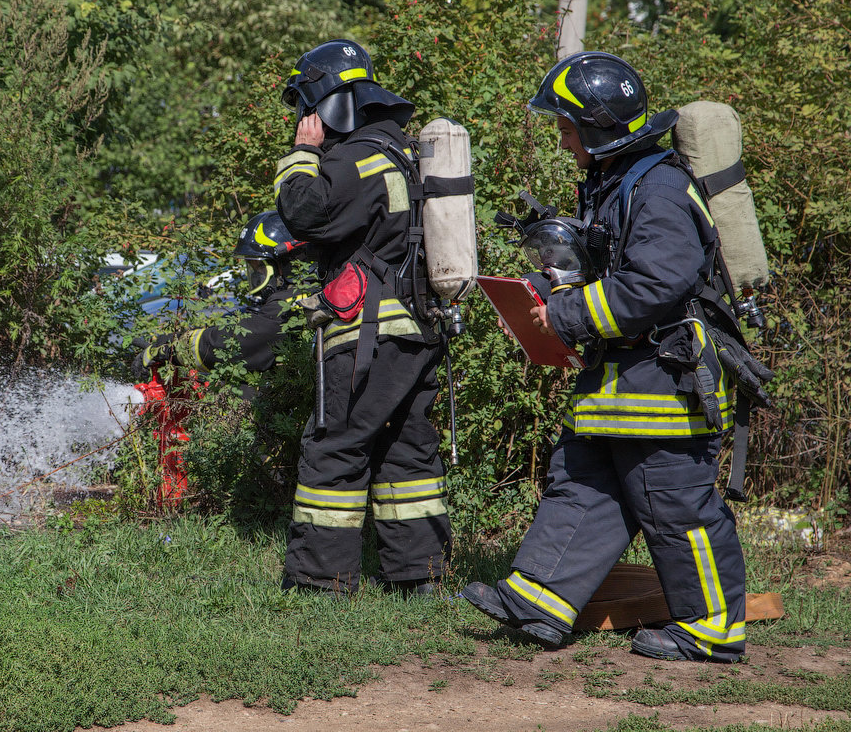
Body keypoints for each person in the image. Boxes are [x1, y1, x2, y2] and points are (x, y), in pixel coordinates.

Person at [462, 51, 747, 662]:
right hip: (621, 377)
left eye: (567, 129)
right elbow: (619, 271)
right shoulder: (617, 181)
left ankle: (712, 630)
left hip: (667, 380)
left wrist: (566, 314)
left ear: (595, 128)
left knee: (673, 505)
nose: (563, 142)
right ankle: (542, 598)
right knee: (582, 479)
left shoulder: (661, 186)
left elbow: (657, 285)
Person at [273, 38, 452, 598]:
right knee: (406, 450)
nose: (304, 120)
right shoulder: (401, 151)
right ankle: (418, 577)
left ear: (325, 103)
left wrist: (302, 156)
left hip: (370, 332)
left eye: (307, 107)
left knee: (334, 446)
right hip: (421, 328)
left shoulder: (358, 158)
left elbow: (305, 213)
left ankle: (319, 581)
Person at [131, 211, 312, 382]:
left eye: (259, 268)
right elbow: (236, 325)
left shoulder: (294, 304)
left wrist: (171, 349)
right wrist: (174, 338)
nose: (256, 277)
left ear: (285, 265)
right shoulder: (291, 299)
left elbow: (232, 342)